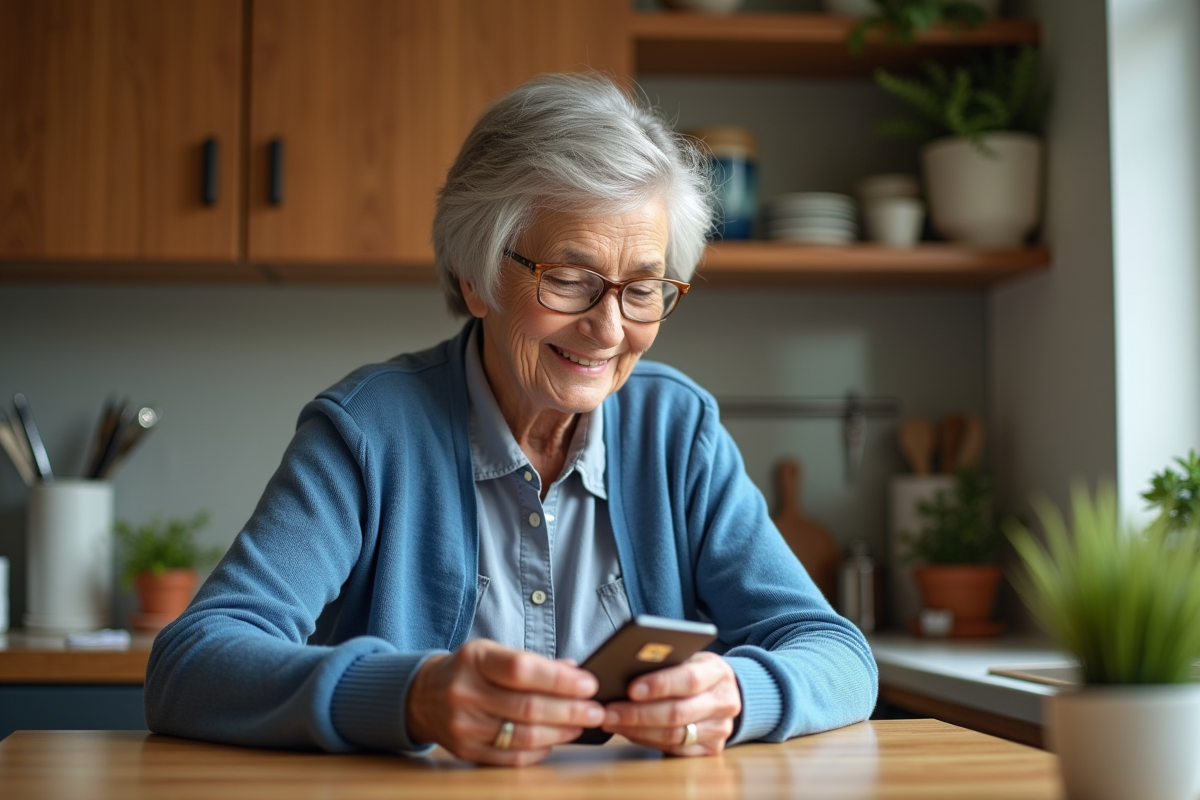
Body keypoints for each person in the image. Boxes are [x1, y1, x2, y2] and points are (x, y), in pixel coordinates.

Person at [144, 73, 877, 766]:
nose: (609, 329)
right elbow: (191, 663)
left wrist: (740, 694)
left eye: (642, 289)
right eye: (568, 280)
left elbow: (836, 653)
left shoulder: (675, 429)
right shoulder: (369, 431)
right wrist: (412, 698)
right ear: (477, 275)